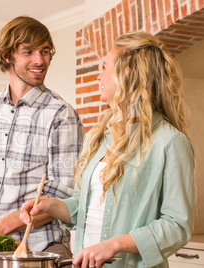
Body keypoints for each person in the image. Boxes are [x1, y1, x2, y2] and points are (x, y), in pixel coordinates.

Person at [20, 31, 195, 268]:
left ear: (127, 74)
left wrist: (113, 245)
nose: (99, 77)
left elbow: (177, 225)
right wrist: (50, 205)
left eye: (104, 68)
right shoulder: (99, 136)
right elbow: (84, 206)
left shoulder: (169, 142)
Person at [0, 16, 84, 258]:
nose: (39, 60)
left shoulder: (61, 114)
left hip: (43, 250)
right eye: (28, 52)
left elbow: (63, 197)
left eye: (45, 51)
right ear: (7, 56)